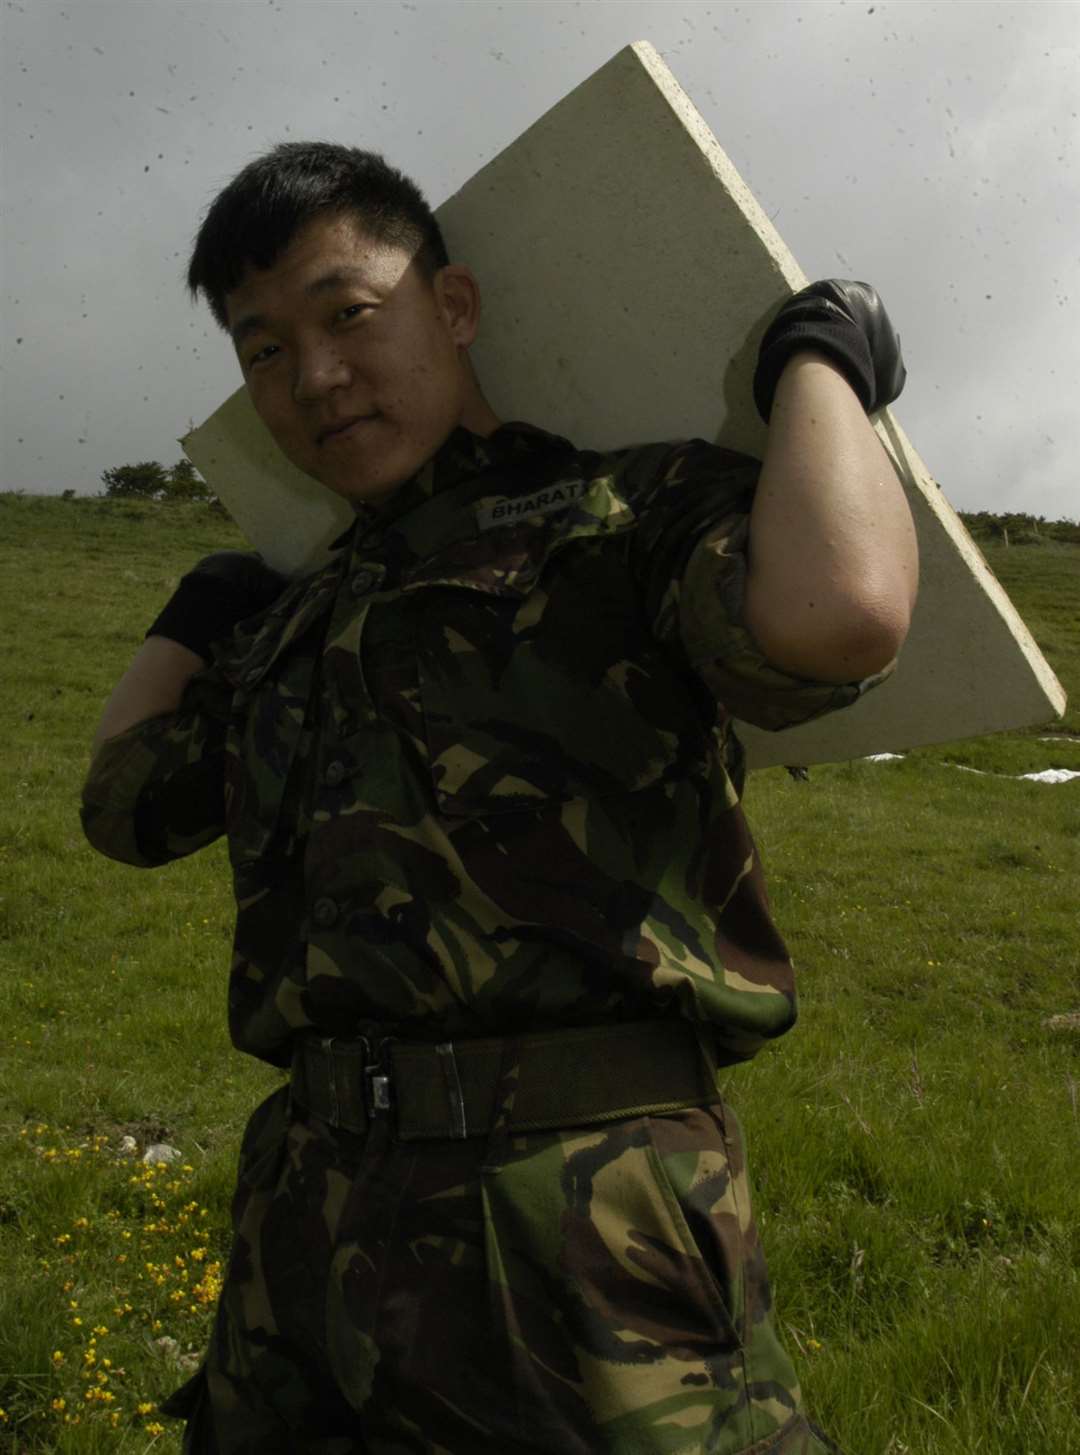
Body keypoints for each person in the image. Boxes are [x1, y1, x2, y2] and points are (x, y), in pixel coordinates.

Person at [81, 142, 918, 1455]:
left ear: (452, 309)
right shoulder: (305, 607)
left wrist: (822, 365)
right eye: (262, 350)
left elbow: (840, 617)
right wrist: (198, 620)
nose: (312, 378)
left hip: (573, 1221)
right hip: (306, 1217)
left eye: (347, 315)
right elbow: (126, 809)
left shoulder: (612, 509)